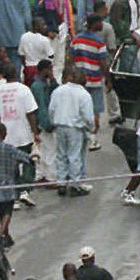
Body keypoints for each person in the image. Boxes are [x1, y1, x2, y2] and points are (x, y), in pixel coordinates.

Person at [0, 63, 40, 208]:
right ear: (16, 74)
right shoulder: (24, 89)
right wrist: (35, 132)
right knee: (29, 162)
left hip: (6, 136)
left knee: (11, 167)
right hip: (23, 134)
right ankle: (24, 190)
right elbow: (31, 113)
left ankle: (15, 197)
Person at [0, 122, 35, 248]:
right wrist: (32, 158)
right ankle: (0, 235)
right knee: (7, 212)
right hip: (7, 186)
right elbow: (25, 157)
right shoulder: (8, 148)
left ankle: (7, 236)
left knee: (0, 213)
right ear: (4, 134)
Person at [49, 67, 94, 196]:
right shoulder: (83, 94)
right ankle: (75, 184)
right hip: (75, 128)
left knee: (61, 155)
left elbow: (51, 109)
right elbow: (87, 116)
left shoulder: (58, 91)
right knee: (74, 156)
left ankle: (62, 183)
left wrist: (54, 122)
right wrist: (90, 128)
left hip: (60, 126)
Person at [70, 14, 109, 151]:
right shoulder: (99, 42)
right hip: (95, 81)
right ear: (94, 24)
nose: (102, 24)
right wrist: (108, 80)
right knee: (95, 110)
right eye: (100, 21)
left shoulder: (76, 40)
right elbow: (103, 63)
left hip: (80, 82)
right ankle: (92, 139)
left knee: (79, 110)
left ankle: (80, 138)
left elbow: (70, 59)